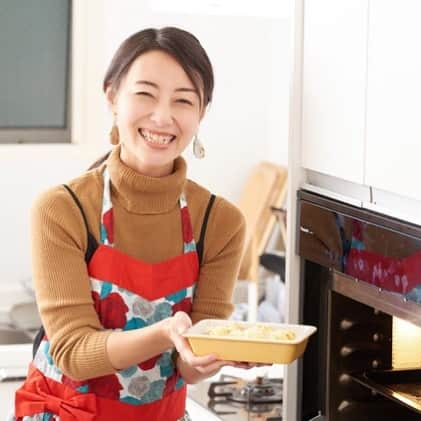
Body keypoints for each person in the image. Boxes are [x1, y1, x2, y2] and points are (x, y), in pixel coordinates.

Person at [11, 27, 246, 421]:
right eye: (145, 94)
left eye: (183, 100)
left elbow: (190, 366)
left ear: (201, 112)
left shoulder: (219, 222)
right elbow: (73, 354)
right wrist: (166, 333)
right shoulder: (63, 209)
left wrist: (217, 353)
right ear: (112, 97)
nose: (163, 116)